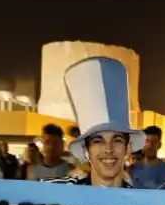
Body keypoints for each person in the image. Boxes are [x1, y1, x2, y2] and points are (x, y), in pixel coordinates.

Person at [43, 57, 147, 187]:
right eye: (98, 140)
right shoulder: (57, 194)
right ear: (86, 150)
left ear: (128, 149)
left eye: (117, 140)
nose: (108, 149)